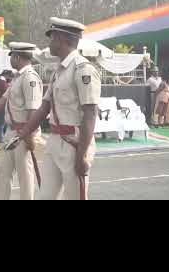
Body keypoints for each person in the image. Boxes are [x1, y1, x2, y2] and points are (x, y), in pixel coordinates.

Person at [13, 17, 101, 200]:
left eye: (52, 38)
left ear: (62, 39)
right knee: (45, 196)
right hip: (54, 141)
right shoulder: (59, 71)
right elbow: (44, 107)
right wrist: (24, 132)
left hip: (74, 143)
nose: (50, 43)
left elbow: (90, 113)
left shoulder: (83, 69)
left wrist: (82, 155)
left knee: (74, 196)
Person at [0, 43, 43, 200]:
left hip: (23, 133)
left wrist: (28, 137)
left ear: (17, 57)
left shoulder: (30, 78)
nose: (10, 60)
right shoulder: (18, 77)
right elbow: (3, 100)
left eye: (12, 57)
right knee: (4, 172)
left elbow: (33, 110)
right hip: (12, 132)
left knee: (25, 175)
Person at [0, 70, 14, 144]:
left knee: (1, 123)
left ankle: (1, 138)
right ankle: (0, 139)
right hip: (2, 104)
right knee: (1, 123)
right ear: (7, 75)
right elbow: (6, 91)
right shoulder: (2, 82)